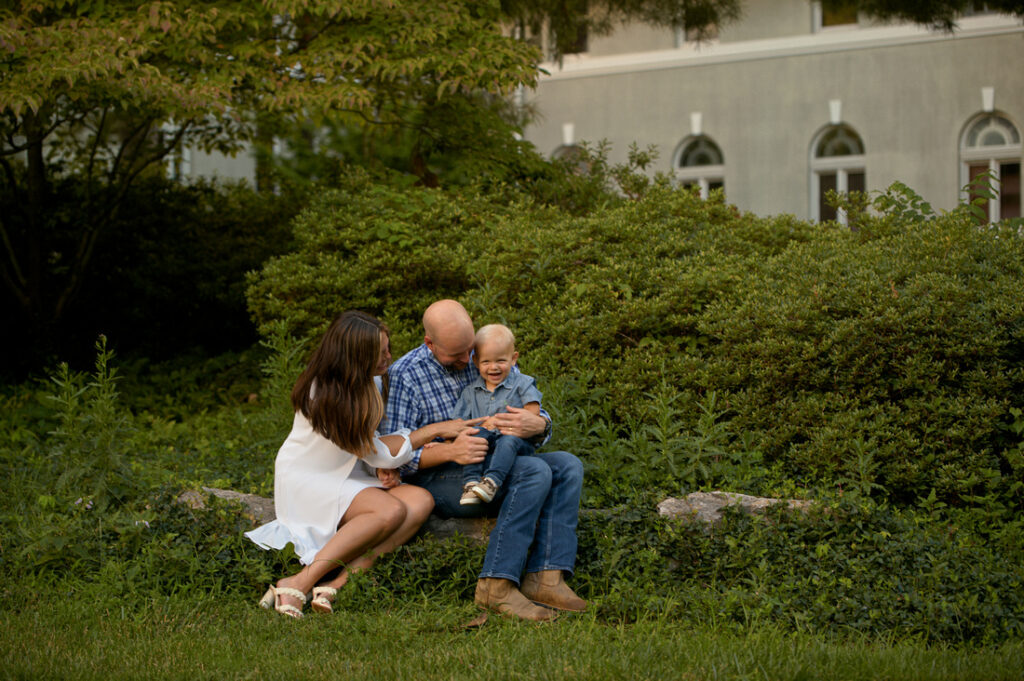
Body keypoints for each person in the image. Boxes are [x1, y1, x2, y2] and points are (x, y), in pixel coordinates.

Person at [245, 310, 471, 618]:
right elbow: (378, 451)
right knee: (389, 509)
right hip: (310, 479)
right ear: (355, 357)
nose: (389, 358)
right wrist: (432, 431)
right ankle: (298, 582)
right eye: (379, 354)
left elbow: (375, 447)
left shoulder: (370, 380)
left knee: (419, 500)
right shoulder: (326, 395)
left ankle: (338, 583)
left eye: (387, 349)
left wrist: (386, 463)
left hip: (350, 474)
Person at [383, 299, 587, 621]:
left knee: (567, 466)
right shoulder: (405, 376)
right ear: (429, 343)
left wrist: (541, 424)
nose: (468, 360)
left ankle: (546, 576)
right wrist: (450, 451)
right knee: (533, 471)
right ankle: (496, 584)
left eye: (470, 352)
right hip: (442, 475)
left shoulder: (485, 351)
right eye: (457, 355)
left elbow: (526, 401)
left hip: (500, 459)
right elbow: (391, 456)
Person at [454, 324, 541, 507]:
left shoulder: (522, 383)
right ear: (476, 362)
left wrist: (502, 422)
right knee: (473, 435)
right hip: (486, 447)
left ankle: (492, 482)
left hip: (516, 443)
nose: (494, 367)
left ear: (513, 358)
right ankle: (470, 483)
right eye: (486, 362)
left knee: (507, 440)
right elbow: (459, 426)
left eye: (501, 360)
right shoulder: (470, 393)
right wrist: (447, 442)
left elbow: (533, 414)